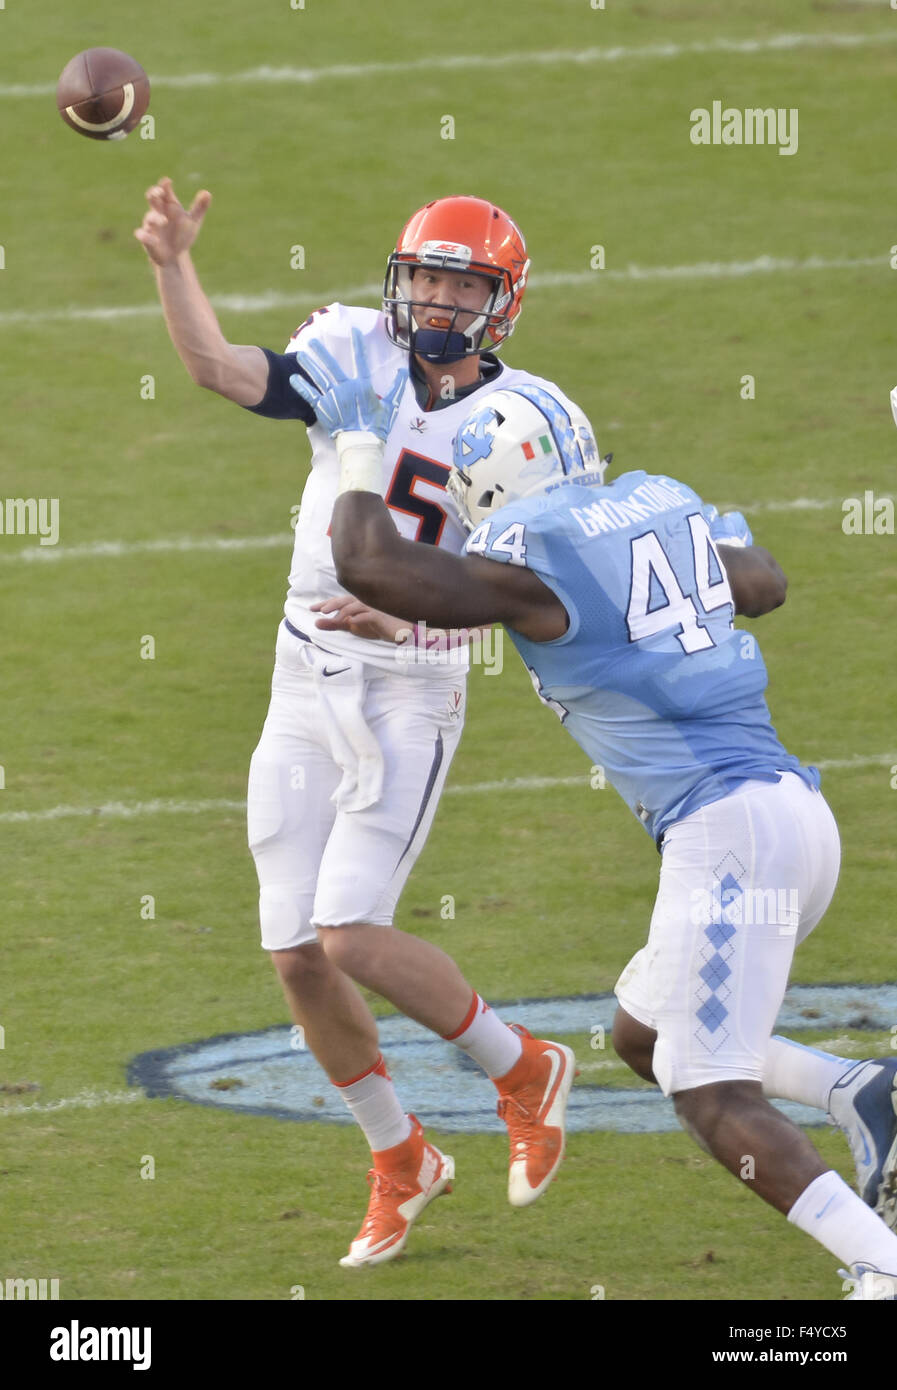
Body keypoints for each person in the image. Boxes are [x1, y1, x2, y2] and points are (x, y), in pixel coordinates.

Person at [311, 358, 897, 1298]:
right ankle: (856, 1091)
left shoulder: (531, 547)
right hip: (796, 817)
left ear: (491, 485)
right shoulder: (657, 500)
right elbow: (759, 585)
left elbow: (372, 563)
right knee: (643, 1035)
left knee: (708, 1091)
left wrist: (353, 444)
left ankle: (879, 1265)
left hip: (725, 833)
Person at [134, 182, 588, 1268]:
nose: (435, 296)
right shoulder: (351, 349)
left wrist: (412, 604)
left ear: (501, 302)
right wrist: (170, 263)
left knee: (348, 930)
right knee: (294, 954)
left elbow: (544, 588)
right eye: (425, 273)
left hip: (412, 683)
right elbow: (219, 368)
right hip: (303, 677)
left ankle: (523, 1066)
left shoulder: (531, 421)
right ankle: (401, 1156)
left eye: (461, 281)